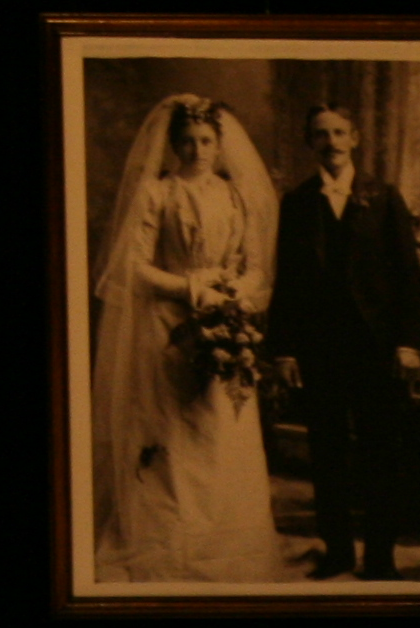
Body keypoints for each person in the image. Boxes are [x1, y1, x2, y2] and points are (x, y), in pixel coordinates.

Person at [90, 93, 281, 584]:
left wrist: (235, 292)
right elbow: (131, 267)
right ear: (173, 145)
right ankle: (171, 538)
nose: (197, 150)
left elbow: (255, 266)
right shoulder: (158, 192)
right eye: (188, 141)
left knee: (221, 427)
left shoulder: (235, 196)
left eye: (206, 141)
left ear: (219, 146)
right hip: (166, 329)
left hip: (224, 321)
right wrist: (195, 288)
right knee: (172, 428)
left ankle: (224, 539)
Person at [266, 103, 420, 582]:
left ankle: (380, 556)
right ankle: (337, 550)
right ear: (310, 143)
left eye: (340, 133)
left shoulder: (383, 196)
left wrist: (409, 344)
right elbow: (289, 283)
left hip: (377, 348)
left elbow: (409, 276)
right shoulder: (297, 202)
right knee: (328, 451)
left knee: (382, 451)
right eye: (321, 135)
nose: (332, 142)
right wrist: (283, 350)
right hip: (321, 349)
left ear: (355, 138)